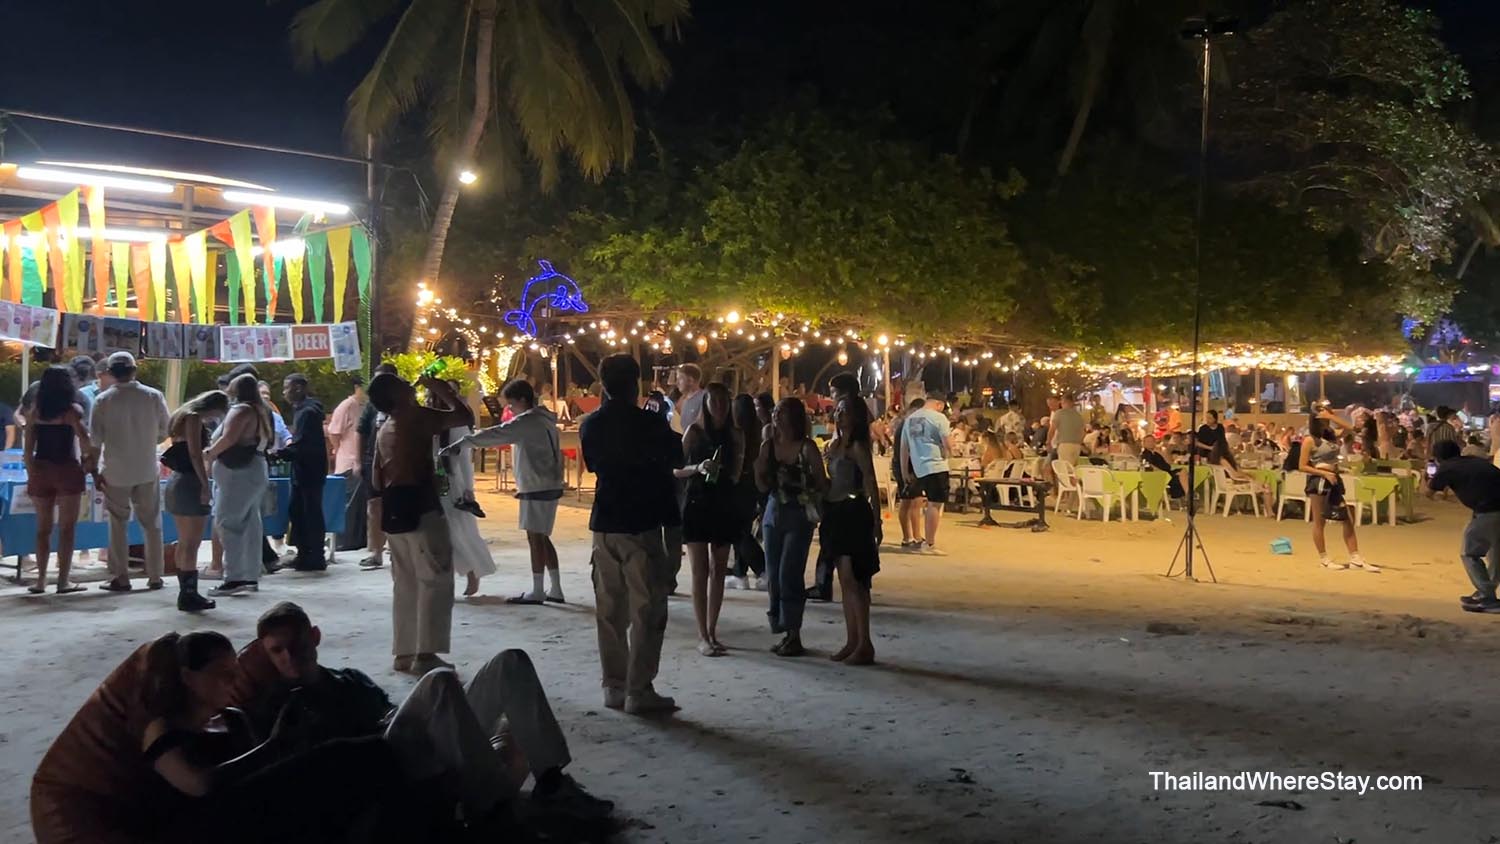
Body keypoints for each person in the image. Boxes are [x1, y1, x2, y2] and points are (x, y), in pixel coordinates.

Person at [246, 602, 612, 826]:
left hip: (408, 739)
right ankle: (495, 807)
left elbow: (392, 710)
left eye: (296, 644)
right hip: (383, 763)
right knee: (438, 680)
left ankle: (551, 781)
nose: (289, 657)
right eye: (277, 651)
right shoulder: (280, 703)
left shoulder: (349, 677)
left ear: (314, 636)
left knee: (510, 663)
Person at [579, 354, 682, 714]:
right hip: (641, 522)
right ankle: (639, 688)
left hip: (605, 522)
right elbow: (676, 456)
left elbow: (594, 464)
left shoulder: (591, 425)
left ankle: (614, 684)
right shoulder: (649, 424)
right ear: (635, 383)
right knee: (647, 608)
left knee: (610, 608)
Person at [368, 371, 474, 675]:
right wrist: (442, 390)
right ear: (396, 395)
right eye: (401, 383)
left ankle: (404, 651)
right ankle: (426, 654)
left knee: (405, 582)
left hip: (394, 506)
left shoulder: (385, 427)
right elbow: (464, 417)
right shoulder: (415, 416)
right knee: (435, 578)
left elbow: (376, 477)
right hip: (420, 503)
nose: (408, 384)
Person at [445, 379, 563, 603]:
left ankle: (538, 590)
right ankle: (555, 588)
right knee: (542, 537)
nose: (509, 408)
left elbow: (496, 434)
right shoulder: (545, 419)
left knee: (535, 538)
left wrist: (462, 443)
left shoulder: (526, 422)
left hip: (536, 484)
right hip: (549, 482)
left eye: (511, 404)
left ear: (522, 400)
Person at [91, 352, 171, 593]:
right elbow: (165, 429)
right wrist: (147, 441)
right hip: (146, 468)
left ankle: (121, 577)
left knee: (118, 524)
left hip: (115, 471)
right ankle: (155, 575)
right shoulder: (153, 396)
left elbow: (95, 442)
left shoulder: (103, 400)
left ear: (111, 373)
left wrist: (94, 471)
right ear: (134, 370)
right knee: (152, 523)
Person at [674, 382, 744, 656]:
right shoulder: (694, 431)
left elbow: (737, 470)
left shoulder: (735, 434)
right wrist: (698, 467)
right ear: (706, 404)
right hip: (697, 501)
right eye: (714, 401)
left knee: (719, 569)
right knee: (700, 570)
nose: (719, 407)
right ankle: (702, 634)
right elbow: (676, 468)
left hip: (723, 502)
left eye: (724, 401)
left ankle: (713, 630)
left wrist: (729, 476)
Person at [756, 397, 828, 657]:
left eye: (783, 412)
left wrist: (807, 492)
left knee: (790, 573)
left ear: (795, 417)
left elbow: (821, 481)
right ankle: (783, 628)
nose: (777, 416)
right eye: (776, 412)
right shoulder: (768, 445)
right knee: (774, 574)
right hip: (774, 512)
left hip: (799, 514)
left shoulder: (806, 447)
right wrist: (759, 469)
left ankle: (793, 633)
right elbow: (762, 485)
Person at [21, 366, 96, 595]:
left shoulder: (36, 411)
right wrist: (88, 464)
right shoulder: (72, 411)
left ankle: (41, 580)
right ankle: (63, 580)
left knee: (42, 529)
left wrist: (31, 470)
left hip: (41, 468)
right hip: (66, 469)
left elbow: (28, 447)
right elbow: (84, 440)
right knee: (67, 529)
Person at [821, 397, 881, 664]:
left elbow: (870, 482)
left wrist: (877, 521)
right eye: (838, 410)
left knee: (855, 578)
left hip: (853, 512)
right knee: (845, 581)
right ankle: (852, 639)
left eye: (845, 411)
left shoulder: (857, 447)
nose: (839, 415)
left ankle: (864, 642)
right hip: (835, 512)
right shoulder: (834, 446)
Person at [205, 375, 275, 597]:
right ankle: (250, 575)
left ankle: (234, 577)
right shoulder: (260, 410)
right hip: (254, 470)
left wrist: (209, 453)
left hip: (238, 474)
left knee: (228, 522)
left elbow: (228, 438)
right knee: (250, 524)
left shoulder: (241, 410)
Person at [162, 390, 230, 612]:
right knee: (192, 542)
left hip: (178, 480)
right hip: (189, 481)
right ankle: (189, 594)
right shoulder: (193, 419)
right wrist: (204, 483)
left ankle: (186, 591)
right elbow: (194, 454)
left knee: (185, 541)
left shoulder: (180, 417)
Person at [1427, 440, 1500, 613]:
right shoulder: (1472, 461)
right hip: (1491, 507)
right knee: (1496, 552)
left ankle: (1488, 597)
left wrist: (1428, 476)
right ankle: (1485, 591)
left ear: (1438, 458)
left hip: (1490, 510)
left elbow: (1428, 493)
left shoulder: (1446, 467)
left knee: (1469, 553)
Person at [1299, 411, 1377, 572]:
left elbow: (1352, 429)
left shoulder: (1331, 435)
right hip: (1319, 479)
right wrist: (1323, 473)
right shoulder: (1310, 440)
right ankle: (1324, 558)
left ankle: (1355, 557)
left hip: (1334, 478)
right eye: (1323, 419)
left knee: (1346, 518)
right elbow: (1302, 466)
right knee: (1319, 521)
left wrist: (1332, 417)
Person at [274, 374, 327, 571]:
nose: (284, 392)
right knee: (297, 511)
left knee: (309, 512)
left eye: (286, 388)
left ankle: (314, 555)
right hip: (304, 469)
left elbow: (302, 444)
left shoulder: (307, 413)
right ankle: (305, 553)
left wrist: (280, 453)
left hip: (309, 470)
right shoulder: (304, 411)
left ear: (298, 388)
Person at [899, 392, 953, 555]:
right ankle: (929, 543)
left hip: (919, 467)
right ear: (939, 404)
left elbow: (904, 448)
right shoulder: (939, 418)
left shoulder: (910, 419)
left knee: (925, 502)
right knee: (935, 504)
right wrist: (950, 452)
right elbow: (948, 443)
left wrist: (904, 471)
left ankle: (924, 540)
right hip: (937, 464)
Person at [356, 363, 398, 569]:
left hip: (397, 462)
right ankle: (376, 551)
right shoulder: (372, 406)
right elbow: (361, 432)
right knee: (374, 506)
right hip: (372, 460)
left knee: (396, 506)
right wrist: (358, 461)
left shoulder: (403, 404)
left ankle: (397, 550)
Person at [727, 393, 767, 591]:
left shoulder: (738, 432)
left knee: (738, 531)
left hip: (740, 484)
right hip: (752, 485)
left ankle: (763, 569)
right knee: (742, 528)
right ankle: (740, 573)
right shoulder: (757, 429)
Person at [327, 375, 368, 553]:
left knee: (361, 506)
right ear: (357, 387)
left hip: (363, 461)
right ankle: (344, 542)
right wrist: (339, 450)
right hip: (348, 462)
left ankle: (359, 540)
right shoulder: (347, 406)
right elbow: (334, 433)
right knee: (348, 505)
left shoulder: (367, 406)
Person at [891, 397, 928, 549]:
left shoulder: (904, 422)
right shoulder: (913, 422)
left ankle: (909, 537)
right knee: (913, 501)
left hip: (903, 465)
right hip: (909, 466)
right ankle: (914, 537)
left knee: (909, 501)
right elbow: (910, 448)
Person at [1208, 439, 1275, 515]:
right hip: (1233, 485)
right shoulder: (1223, 460)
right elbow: (1234, 474)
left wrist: (1247, 476)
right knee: (1266, 487)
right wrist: (1248, 477)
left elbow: (1237, 472)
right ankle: (1269, 511)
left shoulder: (1217, 460)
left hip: (1226, 484)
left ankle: (1267, 509)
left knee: (1263, 485)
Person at [1048, 395, 1085, 466]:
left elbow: (1052, 429)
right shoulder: (1079, 415)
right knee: (1073, 468)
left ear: (1064, 402)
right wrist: (1079, 441)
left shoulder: (1059, 413)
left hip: (1064, 444)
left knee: (1064, 468)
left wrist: (1048, 442)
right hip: (1077, 445)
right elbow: (1083, 432)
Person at [673, 363, 705, 434]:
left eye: (680, 379)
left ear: (690, 380)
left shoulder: (704, 399)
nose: (677, 383)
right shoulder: (682, 400)